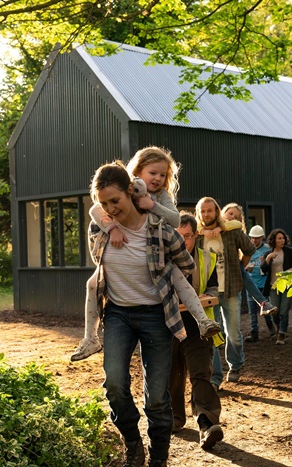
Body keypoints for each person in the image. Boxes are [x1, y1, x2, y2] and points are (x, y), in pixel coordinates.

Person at [71, 146, 220, 361]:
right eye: (153, 173)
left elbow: (175, 220)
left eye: (163, 175)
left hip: (157, 250)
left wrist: (152, 205)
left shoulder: (161, 196)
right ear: (138, 170)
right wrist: (111, 227)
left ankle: (202, 320)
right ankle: (90, 337)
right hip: (124, 257)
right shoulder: (126, 189)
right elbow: (95, 209)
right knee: (92, 284)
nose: (158, 178)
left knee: (178, 277)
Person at [88, 161, 192, 467]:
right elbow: (98, 261)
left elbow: (188, 266)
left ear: (130, 193)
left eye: (115, 201)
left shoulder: (159, 229)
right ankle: (133, 442)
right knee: (114, 383)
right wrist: (109, 223)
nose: (111, 208)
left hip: (157, 317)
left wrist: (173, 280)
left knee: (157, 396)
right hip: (118, 314)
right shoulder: (101, 228)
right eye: (104, 203)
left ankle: (159, 456)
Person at [171, 212, 224, 450]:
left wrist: (208, 296)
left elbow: (213, 290)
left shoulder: (206, 259)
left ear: (195, 236)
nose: (183, 242)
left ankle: (206, 423)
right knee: (172, 374)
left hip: (198, 324)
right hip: (168, 324)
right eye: (178, 236)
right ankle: (174, 418)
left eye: (188, 236)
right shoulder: (161, 258)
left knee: (201, 372)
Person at [195, 197, 255, 387]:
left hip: (231, 288)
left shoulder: (231, 232)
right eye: (203, 211)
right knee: (212, 334)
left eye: (209, 211)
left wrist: (241, 267)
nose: (206, 215)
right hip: (208, 293)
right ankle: (215, 376)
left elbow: (249, 249)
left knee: (233, 333)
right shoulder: (197, 235)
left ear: (217, 212)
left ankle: (235, 365)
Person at [220, 203, 276, 316]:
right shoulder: (213, 226)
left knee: (243, 273)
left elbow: (249, 250)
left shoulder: (235, 230)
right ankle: (263, 302)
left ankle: (263, 302)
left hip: (232, 265)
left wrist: (242, 264)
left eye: (235, 217)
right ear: (223, 212)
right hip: (216, 266)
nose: (231, 217)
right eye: (230, 213)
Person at [261, 228, 292, 345]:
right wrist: (268, 258)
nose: (282, 240)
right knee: (275, 311)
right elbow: (263, 269)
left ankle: (282, 334)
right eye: (279, 238)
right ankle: (279, 327)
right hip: (273, 286)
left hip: (287, 285)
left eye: (283, 238)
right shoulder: (268, 253)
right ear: (274, 240)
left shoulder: (289, 251)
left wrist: (291, 269)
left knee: (284, 311)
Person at [242, 225, 277, 342]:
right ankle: (254, 332)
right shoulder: (247, 250)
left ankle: (271, 327)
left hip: (263, 284)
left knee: (266, 309)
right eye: (252, 238)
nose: (254, 240)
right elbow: (243, 264)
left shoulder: (267, 250)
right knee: (252, 311)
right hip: (251, 284)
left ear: (262, 237)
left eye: (257, 238)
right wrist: (247, 268)